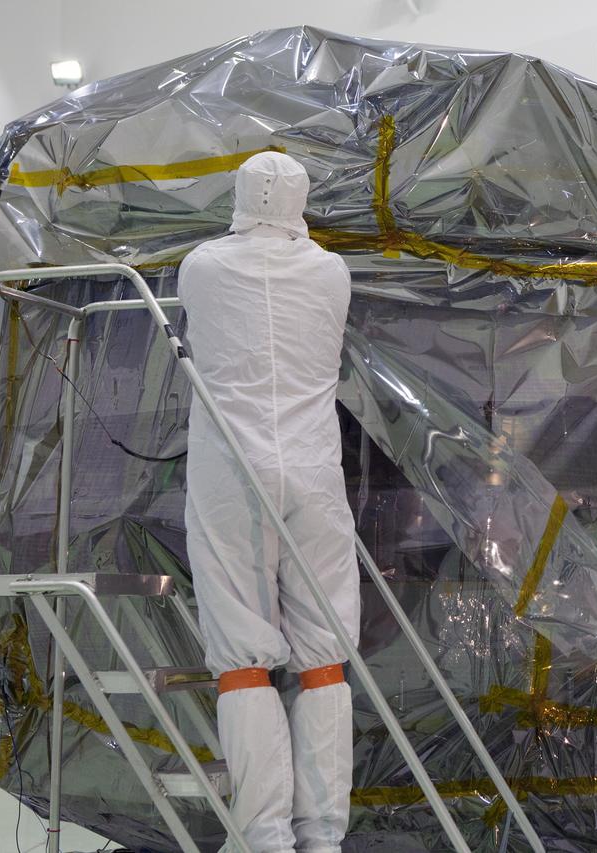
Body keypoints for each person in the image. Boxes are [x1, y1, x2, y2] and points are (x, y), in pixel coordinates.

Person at [180, 151, 359, 853]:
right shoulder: (331, 272)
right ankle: (322, 835)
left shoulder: (202, 267)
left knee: (244, 654)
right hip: (314, 470)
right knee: (322, 656)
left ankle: (263, 837)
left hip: (233, 470)